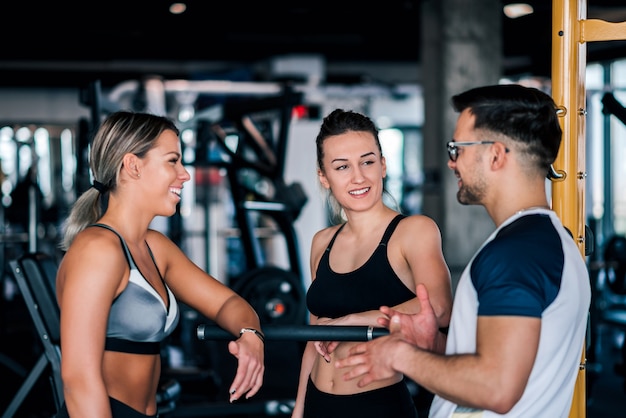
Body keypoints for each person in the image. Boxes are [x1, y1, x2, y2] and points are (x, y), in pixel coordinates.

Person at [335, 84, 592, 417]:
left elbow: (496, 388)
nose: (451, 162)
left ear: (496, 155)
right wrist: (434, 347)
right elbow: (506, 362)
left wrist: (400, 355)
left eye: (458, 148)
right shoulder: (545, 242)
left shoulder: (516, 254)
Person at [55, 110, 265, 417]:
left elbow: (228, 303)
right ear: (133, 166)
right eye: (172, 160)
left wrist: (251, 336)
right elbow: (79, 380)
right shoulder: (98, 250)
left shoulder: (154, 247)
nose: (185, 174)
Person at [292, 109, 453, 418]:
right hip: (318, 403)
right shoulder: (322, 242)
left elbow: (440, 307)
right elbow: (317, 337)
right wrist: (299, 408)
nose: (358, 177)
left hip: (377, 405)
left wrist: (354, 320)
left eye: (367, 162)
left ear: (383, 165)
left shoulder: (413, 231)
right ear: (323, 176)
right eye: (342, 167)